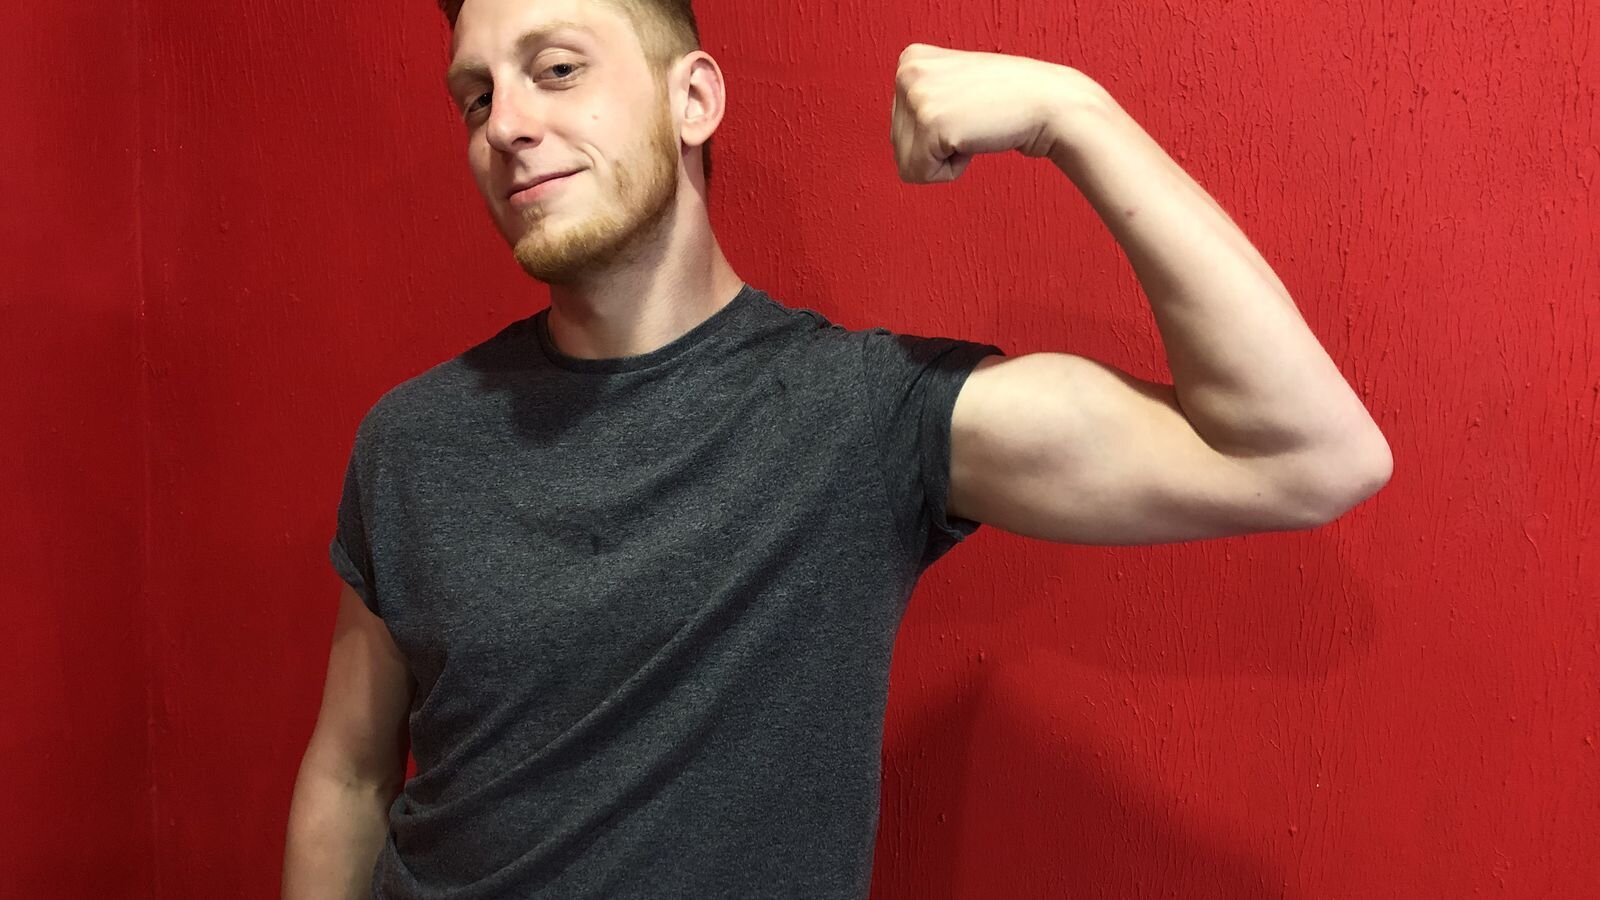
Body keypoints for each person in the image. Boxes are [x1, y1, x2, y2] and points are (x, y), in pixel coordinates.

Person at [282, 0, 1393, 897]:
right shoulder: (411, 440)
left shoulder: (861, 418)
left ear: (693, 98)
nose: (505, 126)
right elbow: (348, 774)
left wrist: (1074, 113)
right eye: (477, 96)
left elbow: (1307, 459)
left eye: (557, 69)